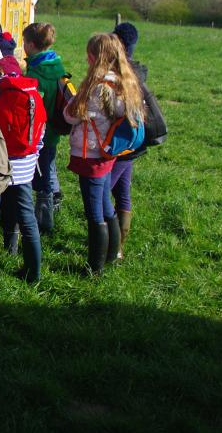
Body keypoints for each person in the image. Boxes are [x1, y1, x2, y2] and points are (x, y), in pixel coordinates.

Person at [63, 33, 145, 275]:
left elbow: (71, 115)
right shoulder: (123, 82)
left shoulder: (97, 87)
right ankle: (111, 253)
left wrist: (74, 100)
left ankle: (94, 266)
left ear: (95, 56)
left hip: (91, 153)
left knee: (94, 211)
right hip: (108, 153)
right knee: (105, 204)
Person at [0, 39, 44, 284]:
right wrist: (33, 154)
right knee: (27, 218)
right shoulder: (23, 89)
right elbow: (39, 131)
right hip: (24, 164)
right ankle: (34, 274)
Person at [22, 22, 70, 234]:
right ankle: (53, 201)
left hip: (40, 133)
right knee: (48, 166)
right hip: (53, 129)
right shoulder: (56, 66)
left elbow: (32, 107)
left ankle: (44, 220)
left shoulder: (37, 75)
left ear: (31, 45)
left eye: (24, 42)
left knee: (42, 178)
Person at [110, 22, 147, 257]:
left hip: (118, 142)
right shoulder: (140, 71)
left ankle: (111, 246)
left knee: (104, 195)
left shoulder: (120, 74)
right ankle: (120, 244)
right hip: (134, 141)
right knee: (123, 192)